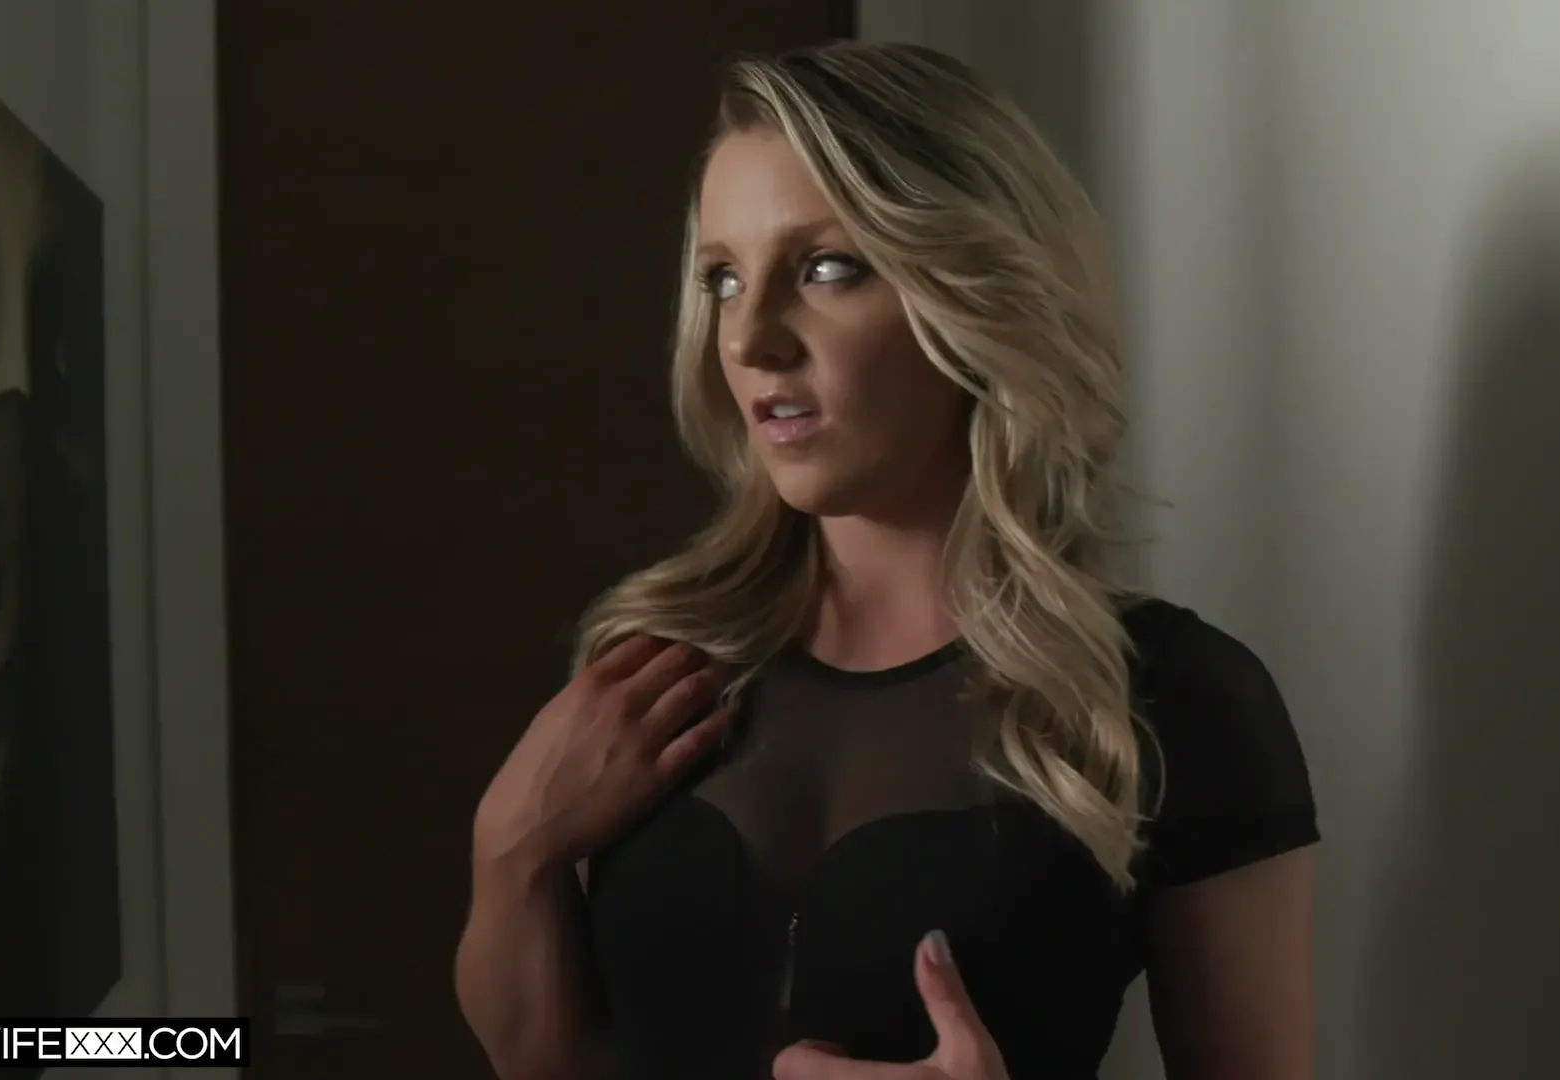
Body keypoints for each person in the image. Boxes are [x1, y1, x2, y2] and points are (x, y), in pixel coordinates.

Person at [455, 40, 1319, 1080]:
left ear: (976, 292)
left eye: (827, 269)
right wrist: (511, 848)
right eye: (724, 279)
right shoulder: (659, 664)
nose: (752, 339)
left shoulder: (1173, 701)